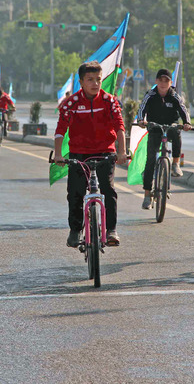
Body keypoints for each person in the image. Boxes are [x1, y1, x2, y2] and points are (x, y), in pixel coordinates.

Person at [54, 61, 127, 248]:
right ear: (81, 82)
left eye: (98, 80)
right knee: (75, 193)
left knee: (108, 191)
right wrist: (58, 155)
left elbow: (119, 126)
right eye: (90, 80)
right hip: (79, 154)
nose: (95, 84)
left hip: (105, 153)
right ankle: (75, 229)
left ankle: (111, 230)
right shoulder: (71, 103)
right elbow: (61, 129)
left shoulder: (109, 101)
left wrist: (122, 152)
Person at [137, 68, 193, 210]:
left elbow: (183, 109)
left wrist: (187, 123)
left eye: (166, 81)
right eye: (160, 80)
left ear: (170, 83)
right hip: (154, 127)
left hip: (170, 126)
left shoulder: (174, 96)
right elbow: (142, 108)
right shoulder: (150, 94)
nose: (163, 83)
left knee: (177, 133)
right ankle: (147, 195)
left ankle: (175, 164)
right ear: (156, 81)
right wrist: (140, 120)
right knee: (150, 161)